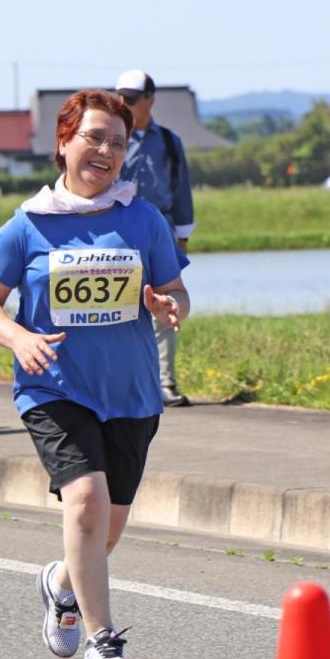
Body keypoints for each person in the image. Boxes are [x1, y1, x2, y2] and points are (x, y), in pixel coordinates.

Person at [0, 89, 190, 659]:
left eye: (117, 143)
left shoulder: (142, 218)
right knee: (86, 500)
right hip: (55, 388)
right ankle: (101, 639)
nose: (106, 151)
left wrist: (170, 305)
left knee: (107, 525)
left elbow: (177, 291)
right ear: (63, 143)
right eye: (93, 138)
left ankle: (62, 584)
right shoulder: (30, 224)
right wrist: (17, 338)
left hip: (132, 393)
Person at [114, 69, 196, 407]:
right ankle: (125, 381)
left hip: (159, 227)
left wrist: (182, 236)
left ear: (150, 99)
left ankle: (165, 382)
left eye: (130, 99)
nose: (123, 103)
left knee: (165, 303)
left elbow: (181, 190)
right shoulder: (112, 138)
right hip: (119, 228)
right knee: (120, 305)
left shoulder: (168, 141)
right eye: (119, 96)